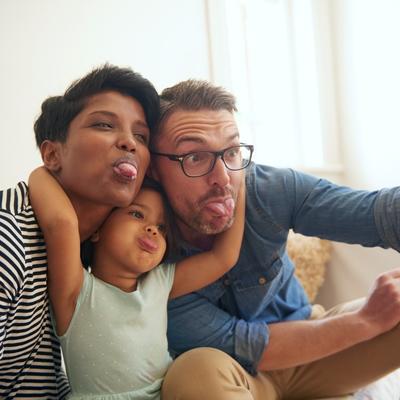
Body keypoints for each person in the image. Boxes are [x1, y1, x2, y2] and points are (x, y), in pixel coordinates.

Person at [148, 79, 400, 399]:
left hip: (320, 346)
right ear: (154, 168)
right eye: (195, 157)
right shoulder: (141, 245)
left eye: (232, 151)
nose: (223, 177)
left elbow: (376, 214)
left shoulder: (267, 189)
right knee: (193, 372)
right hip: (237, 374)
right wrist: (365, 321)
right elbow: (252, 346)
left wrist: (370, 318)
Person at [0, 64, 160, 399]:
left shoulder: (97, 254)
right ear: (52, 154)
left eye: (141, 136)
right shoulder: (8, 238)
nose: (129, 142)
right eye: (104, 124)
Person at [27, 167, 245, 400]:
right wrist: (41, 170)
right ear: (97, 230)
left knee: (204, 370)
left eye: (162, 228)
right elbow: (62, 222)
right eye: (137, 214)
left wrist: (238, 179)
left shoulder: (160, 282)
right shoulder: (76, 290)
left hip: (168, 393)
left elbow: (224, 257)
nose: (152, 230)